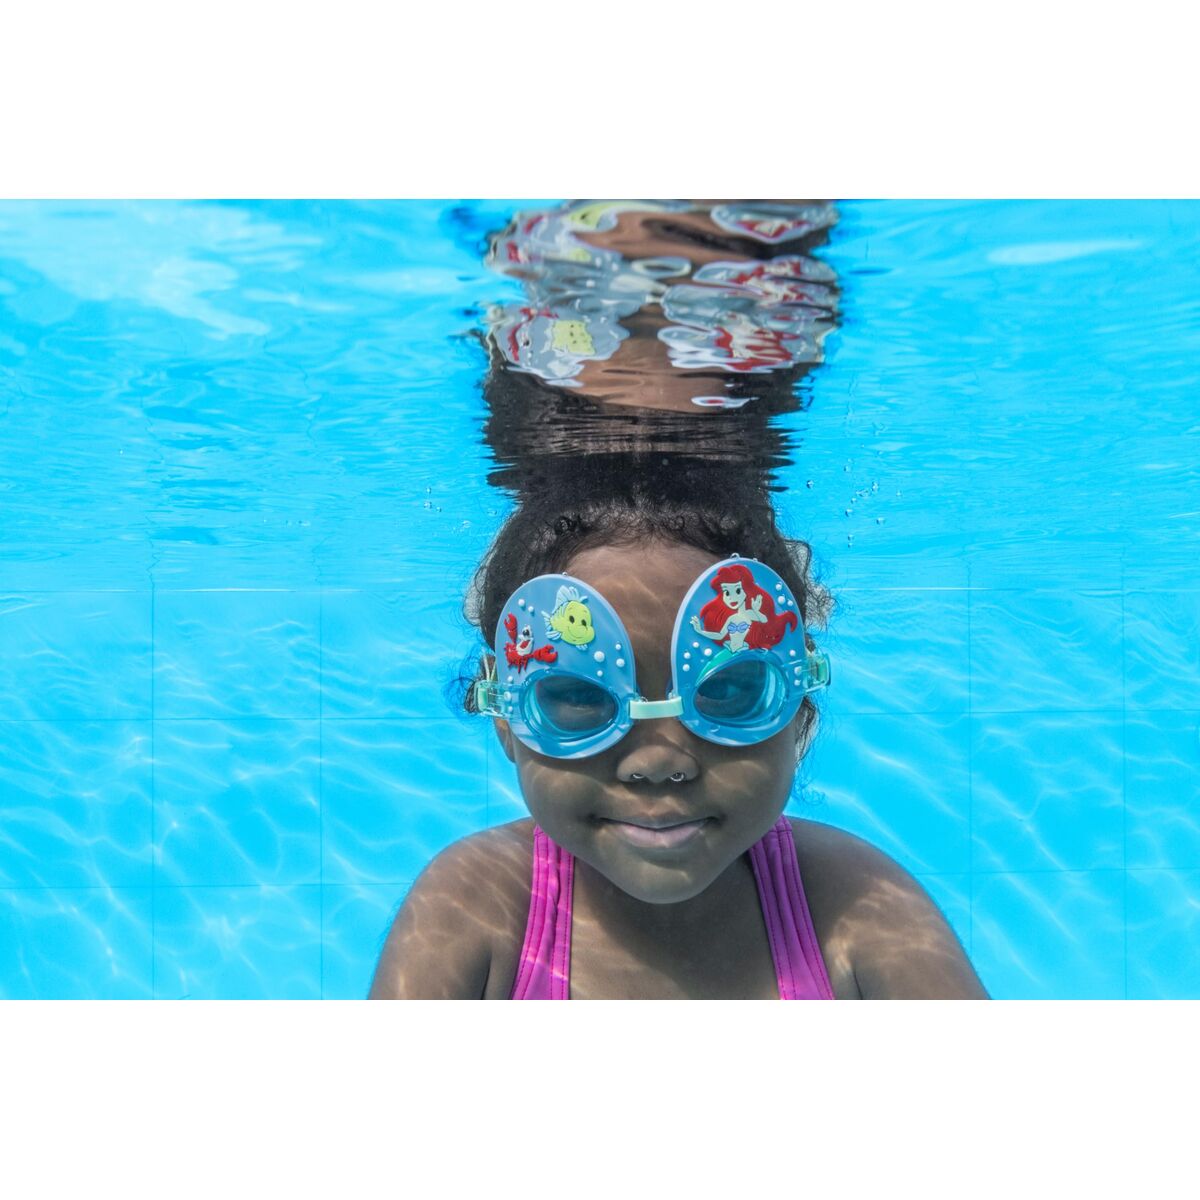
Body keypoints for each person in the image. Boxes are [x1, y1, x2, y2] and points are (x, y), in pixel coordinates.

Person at [369, 475, 988, 1000]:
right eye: (579, 697)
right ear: (504, 714)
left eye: (729, 689)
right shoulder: (474, 909)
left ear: (797, 700)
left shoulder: (855, 903)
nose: (659, 762)